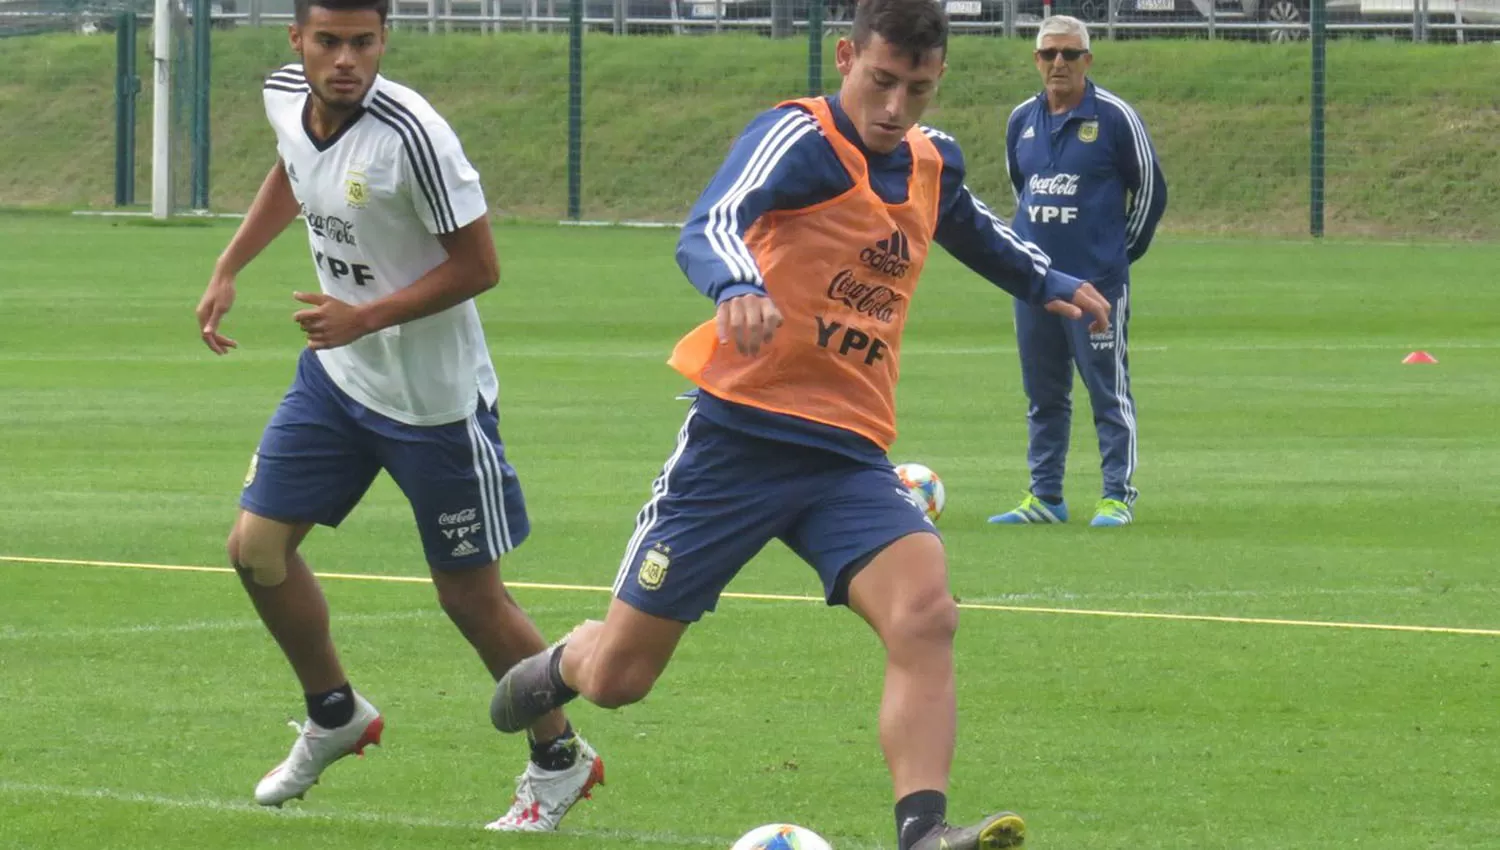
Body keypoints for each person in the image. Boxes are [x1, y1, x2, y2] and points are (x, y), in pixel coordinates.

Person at [486, 0, 1111, 847]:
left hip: (847, 457)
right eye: (881, 81)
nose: (895, 108)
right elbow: (713, 219)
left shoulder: (932, 161)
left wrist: (1048, 280)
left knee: (926, 610)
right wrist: (738, 285)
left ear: (940, 81)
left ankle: (923, 831)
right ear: (848, 57)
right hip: (738, 443)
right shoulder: (801, 137)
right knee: (622, 678)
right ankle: (565, 664)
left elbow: (973, 229)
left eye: (917, 89)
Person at [192, 0, 602, 830]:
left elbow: (481, 266)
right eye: (329, 41)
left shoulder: (415, 134)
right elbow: (292, 168)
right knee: (256, 551)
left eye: (363, 42)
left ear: (384, 40)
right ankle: (335, 711)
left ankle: (560, 759)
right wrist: (231, 263)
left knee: (470, 600)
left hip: (435, 405)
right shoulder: (282, 94)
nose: (346, 59)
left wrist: (366, 315)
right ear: (296, 41)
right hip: (338, 381)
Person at [989, 15, 1167, 528]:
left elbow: (1151, 192)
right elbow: (1021, 190)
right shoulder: (1020, 119)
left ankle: (1117, 495)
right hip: (1038, 286)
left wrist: (1116, 257)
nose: (1058, 63)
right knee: (1043, 394)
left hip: (1098, 284)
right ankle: (1046, 496)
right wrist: (1031, 265)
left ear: (1088, 59)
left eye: (1069, 54)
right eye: (1049, 55)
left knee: (1107, 390)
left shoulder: (1114, 117)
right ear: (1036, 61)